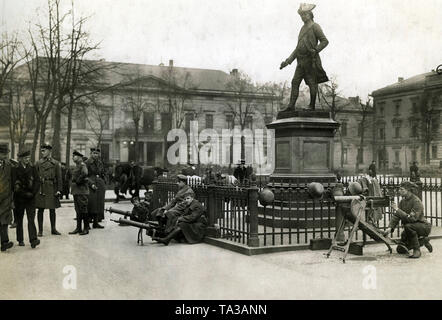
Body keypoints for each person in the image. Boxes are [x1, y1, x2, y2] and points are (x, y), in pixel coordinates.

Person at [280, 3, 329, 111]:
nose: (303, 17)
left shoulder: (315, 26)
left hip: (310, 60)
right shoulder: (302, 28)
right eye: (301, 15)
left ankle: (311, 106)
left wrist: (316, 50)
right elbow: (298, 48)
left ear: (310, 14)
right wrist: (288, 61)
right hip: (300, 61)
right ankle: (291, 106)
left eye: (305, 14)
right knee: (295, 82)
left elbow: (325, 41)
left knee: (312, 83)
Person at [382, 181, 432, 258]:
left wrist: (397, 209)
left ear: (408, 191)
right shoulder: (402, 201)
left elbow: (412, 219)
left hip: (423, 227)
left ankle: (417, 250)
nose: (399, 191)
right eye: (399, 189)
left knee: (408, 226)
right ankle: (423, 241)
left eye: (402, 189)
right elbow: (396, 216)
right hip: (411, 227)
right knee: (400, 249)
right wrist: (390, 228)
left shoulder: (416, 201)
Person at [13, 150, 40, 248]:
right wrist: (25, 194)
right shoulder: (15, 169)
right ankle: (20, 240)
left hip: (31, 198)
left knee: (31, 219)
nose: (27, 160)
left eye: (28, 158)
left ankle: (33, 239)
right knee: (19, 219)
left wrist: (33, 193)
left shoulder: (32, 168)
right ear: (20, 159)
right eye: (25, 158)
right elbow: (15, 184)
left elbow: (37, 181)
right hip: (19, 198)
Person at [35, 143, 62, 236]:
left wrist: (59, 190)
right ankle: (40, 230)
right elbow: (34, 177)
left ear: (49, 151)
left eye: (44, 150)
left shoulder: (55, 163)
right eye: (41, 150)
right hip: (41, 188)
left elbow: (59, 178)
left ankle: (53, 229)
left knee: (52, 209)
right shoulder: (38, 163)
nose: (42, 152)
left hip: (52, 187)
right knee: (40, 209)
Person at [69, 150, 90, 236]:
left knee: (83, 209)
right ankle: (78, 228)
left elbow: (85, 173)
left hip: (81, 190)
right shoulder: (77, 165)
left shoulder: (82, 165)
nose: (73, 158)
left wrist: (78, 181)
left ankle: (86, 228)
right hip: (77, 191)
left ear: (79, 157)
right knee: (77, 210)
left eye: (74, 156)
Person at [85, 148, 105, 228]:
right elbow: (85, 176)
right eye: (94, 153)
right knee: (90, 204)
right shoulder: (87, 163)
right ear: (90, 153)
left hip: (99, 184)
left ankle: (96, 222)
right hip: (91, 184)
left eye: (97, 153)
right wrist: (91, 184)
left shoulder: (100, 162)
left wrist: (103, 181)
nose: (96, 155)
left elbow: (103, 172)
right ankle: (88, 222)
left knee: (98, 204)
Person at [0, 145, 14, 252]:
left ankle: (4, 242)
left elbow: (12, 181)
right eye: (3, 153)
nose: (5, 156)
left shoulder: (9, 165)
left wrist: (11, 196)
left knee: (4, 220)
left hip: (6, 197)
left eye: (6, 154)